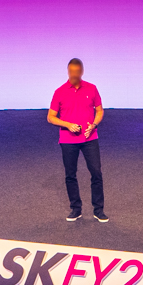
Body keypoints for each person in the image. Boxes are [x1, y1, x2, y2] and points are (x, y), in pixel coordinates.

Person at [48, 58, 107, 223]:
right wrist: (67, 124)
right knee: (70, 174)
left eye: (76, 72)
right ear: (68, 72)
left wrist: (94, 124)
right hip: (68, 140)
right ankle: (76, 208)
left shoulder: (92, 88)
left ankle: (98, 209)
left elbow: (100, 111)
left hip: (90, 138)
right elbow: (51, 117)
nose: (74, 75)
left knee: (96, 172)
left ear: (81, 72)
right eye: (71, 72)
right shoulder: (59, 92)